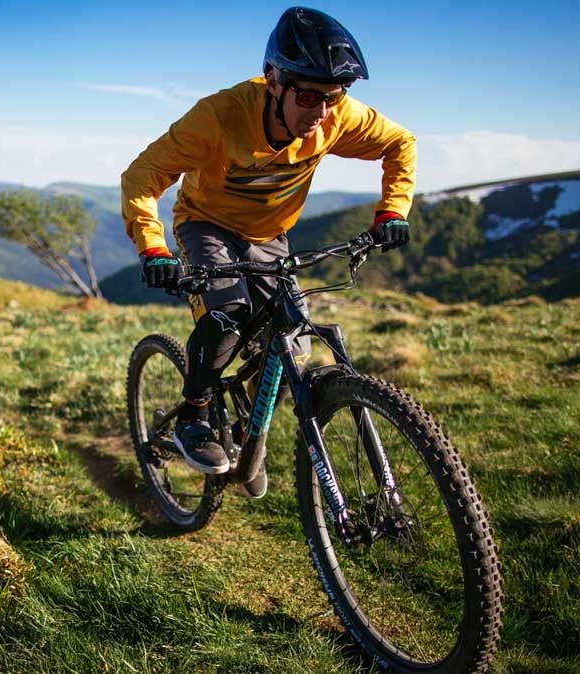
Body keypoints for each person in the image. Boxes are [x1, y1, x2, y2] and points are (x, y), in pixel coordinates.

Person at [121, 7, 416, 497]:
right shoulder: (219, 116)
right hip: (206, 225)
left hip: (271, 237)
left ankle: (248, 440)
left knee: (287, 355)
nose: (320, 112)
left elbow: (400, 144)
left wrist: (392, 211)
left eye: (334, 96)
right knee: (227, 315)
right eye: (307, 96)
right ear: (273, 79)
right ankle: (193, 415)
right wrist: (153, 247)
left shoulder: (336, 115)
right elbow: (142, 176)